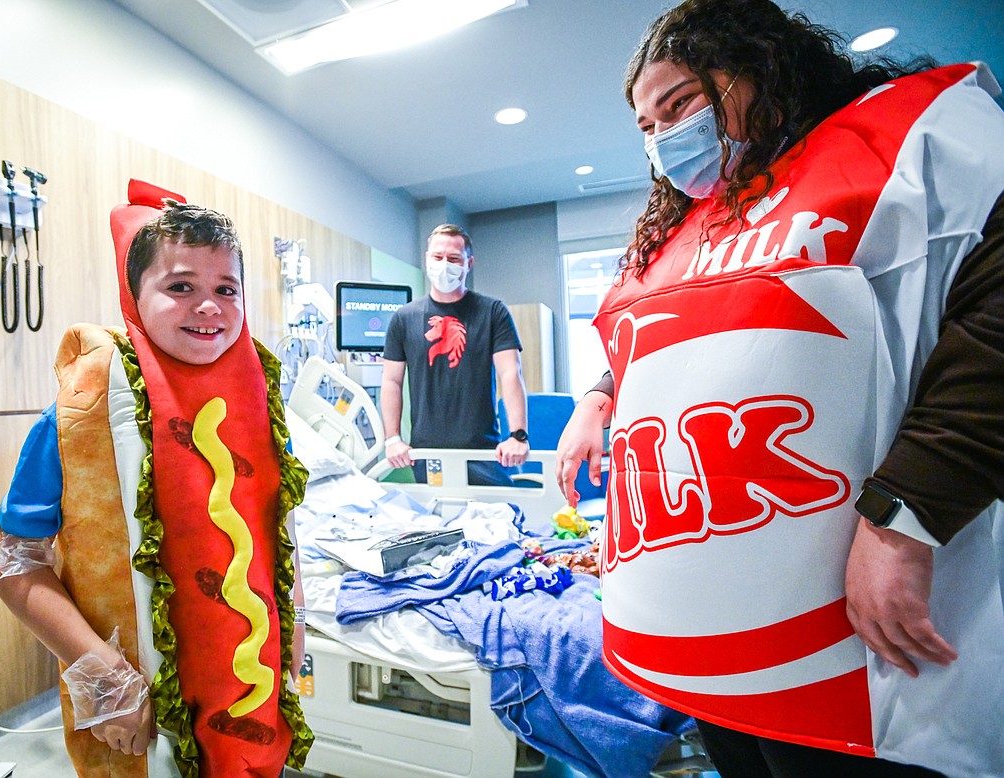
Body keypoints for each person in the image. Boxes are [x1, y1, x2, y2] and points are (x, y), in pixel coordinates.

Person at [554, 1, 1004, 776]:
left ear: (760, 67)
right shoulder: (697, 222)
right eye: (645, 124)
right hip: (711, 647)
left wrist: (909, 513)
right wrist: (602, 391)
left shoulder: (898, 144)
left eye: (681, 103)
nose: (664, 137)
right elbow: (701, 323)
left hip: (851, 628)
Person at [0, 180, 312, 777]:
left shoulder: (260, 401)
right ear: (134, 295)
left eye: (226, 289)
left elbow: (276, 527)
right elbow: (13, 562)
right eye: (180, 286)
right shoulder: (86, 410)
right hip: (136, 706)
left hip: (249, 688)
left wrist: (293, 616)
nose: (209, 305)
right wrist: (103, 677)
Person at [381, 223, 530, 487]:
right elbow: (391, 380)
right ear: (427, 259)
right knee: (440, 525)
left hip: (483, 450)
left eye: (453, 259)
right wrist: (392, 439)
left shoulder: (492, 312)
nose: (444, 265)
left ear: (468, 263)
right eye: (438, 257)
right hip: (426, 454)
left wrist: (517, 435)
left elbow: (510, 372)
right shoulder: (404, 318)